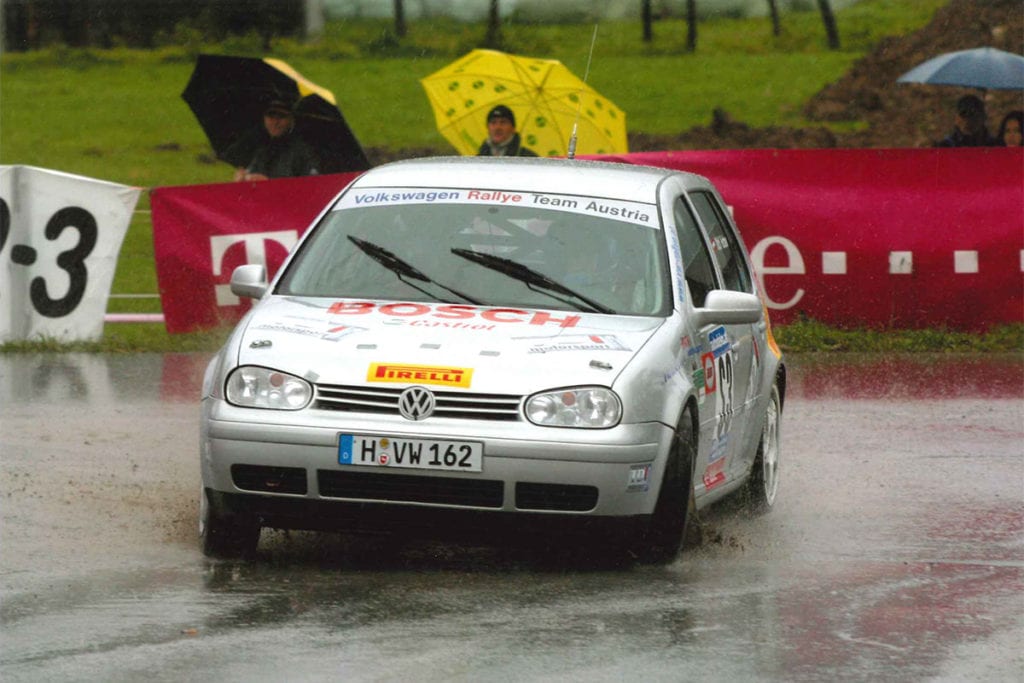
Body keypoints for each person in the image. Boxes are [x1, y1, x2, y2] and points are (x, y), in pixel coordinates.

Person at [234, 99, 320, 181]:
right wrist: (243, 179)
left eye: (281, 116)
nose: (275, 122)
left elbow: (312, 185)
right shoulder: (261, 151)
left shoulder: (303, 151)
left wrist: (270, 184)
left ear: (291, 120)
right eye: (271, 116)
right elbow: (252, 175)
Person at [933, 95, 998, 148]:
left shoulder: (995, 146)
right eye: (963, 114)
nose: (967, 120)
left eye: (972, 114)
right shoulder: (945, 147)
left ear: (983, 117)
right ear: (956, 119)